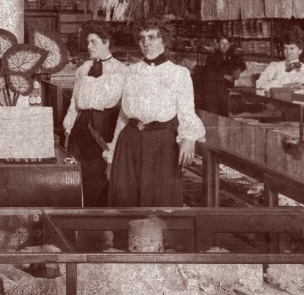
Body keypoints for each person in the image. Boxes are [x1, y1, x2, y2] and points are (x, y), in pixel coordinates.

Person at [104, 20, 205, 207]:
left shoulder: (178, 73)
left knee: (158, 204)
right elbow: (122, 118)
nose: (146, 43)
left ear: (164, 40)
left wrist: (189, 138)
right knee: (125, 203)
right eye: (142, 38)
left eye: (152, 37)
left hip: (161, 146)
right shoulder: (130, 71)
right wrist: (111, 157)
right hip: (129, 144)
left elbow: (186, 112)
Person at [62, 22, 126, 207]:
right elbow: (74, 103)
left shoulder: (122, 70)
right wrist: (68, 130)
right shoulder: (83, 69)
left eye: (93, 42)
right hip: (81, 128)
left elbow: (124, 110)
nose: (88, 46)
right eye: (87, 42)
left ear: (106, 42)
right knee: (76, 174)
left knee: (100, 177)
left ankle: (97, 226)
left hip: (104, 128)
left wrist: (115, 144)